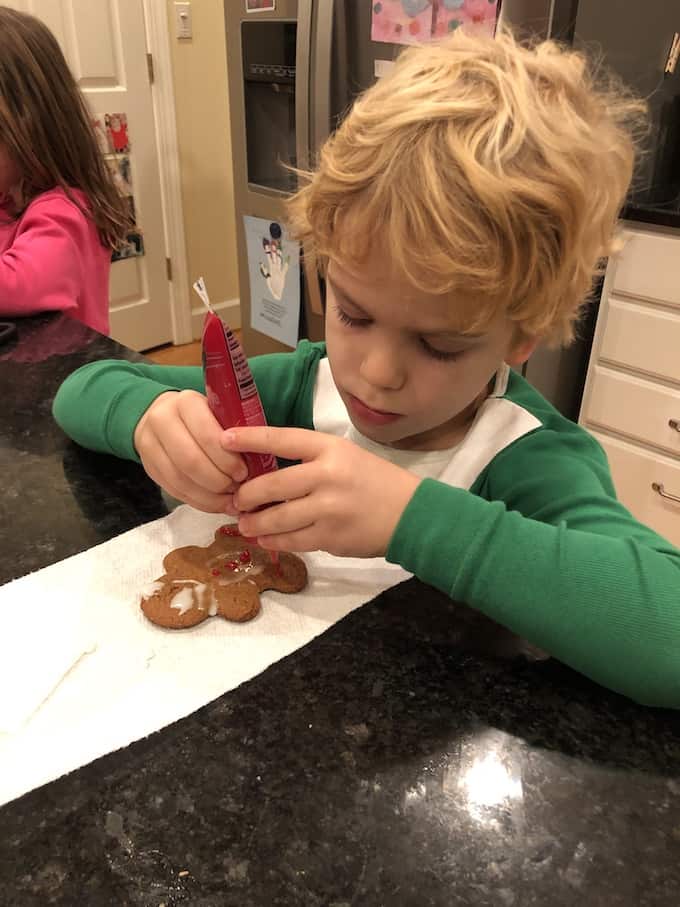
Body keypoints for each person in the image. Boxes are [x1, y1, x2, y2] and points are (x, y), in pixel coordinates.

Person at [53, 31, 680, 707]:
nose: (377, 373)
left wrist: (410, 517)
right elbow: (82, 389)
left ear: (521, 335)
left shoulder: (524, 453)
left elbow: (664, 627)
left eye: (439, 345)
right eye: (353, 314)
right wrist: (150, 420)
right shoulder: (300, 386)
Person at [0, 7, 131, 334]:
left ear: (27, 128)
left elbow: (24, 284)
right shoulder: (8, 200)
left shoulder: (67, 209)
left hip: (72, 379)